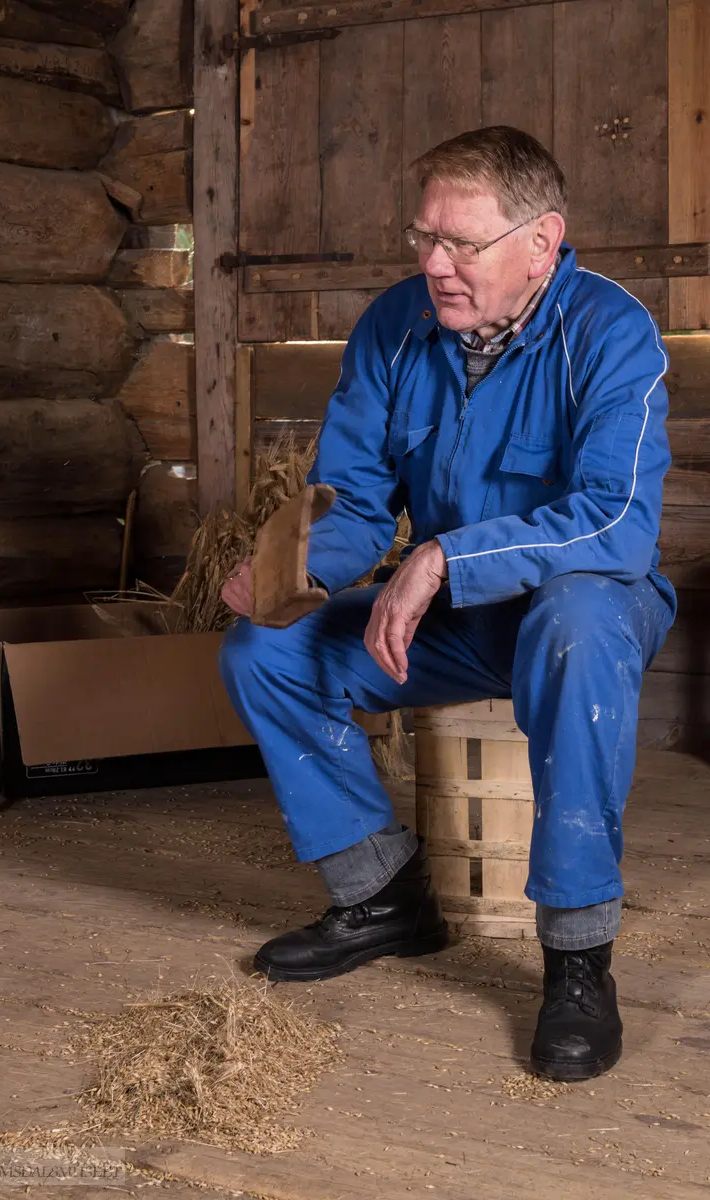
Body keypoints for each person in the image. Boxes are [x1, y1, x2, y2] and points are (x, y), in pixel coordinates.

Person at [219, 126, 675, 1082]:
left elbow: (618, 524)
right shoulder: (395, 327)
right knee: (263, 651)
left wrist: (442, 558)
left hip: (576, 615)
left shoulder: (610, 331)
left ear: (541, 243)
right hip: (449, 621)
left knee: (579, 624)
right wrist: (291, 572)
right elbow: (347, 499)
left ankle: (578, 959)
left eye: (462, 243)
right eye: (424, 238)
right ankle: (383, 894)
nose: (435, 264)